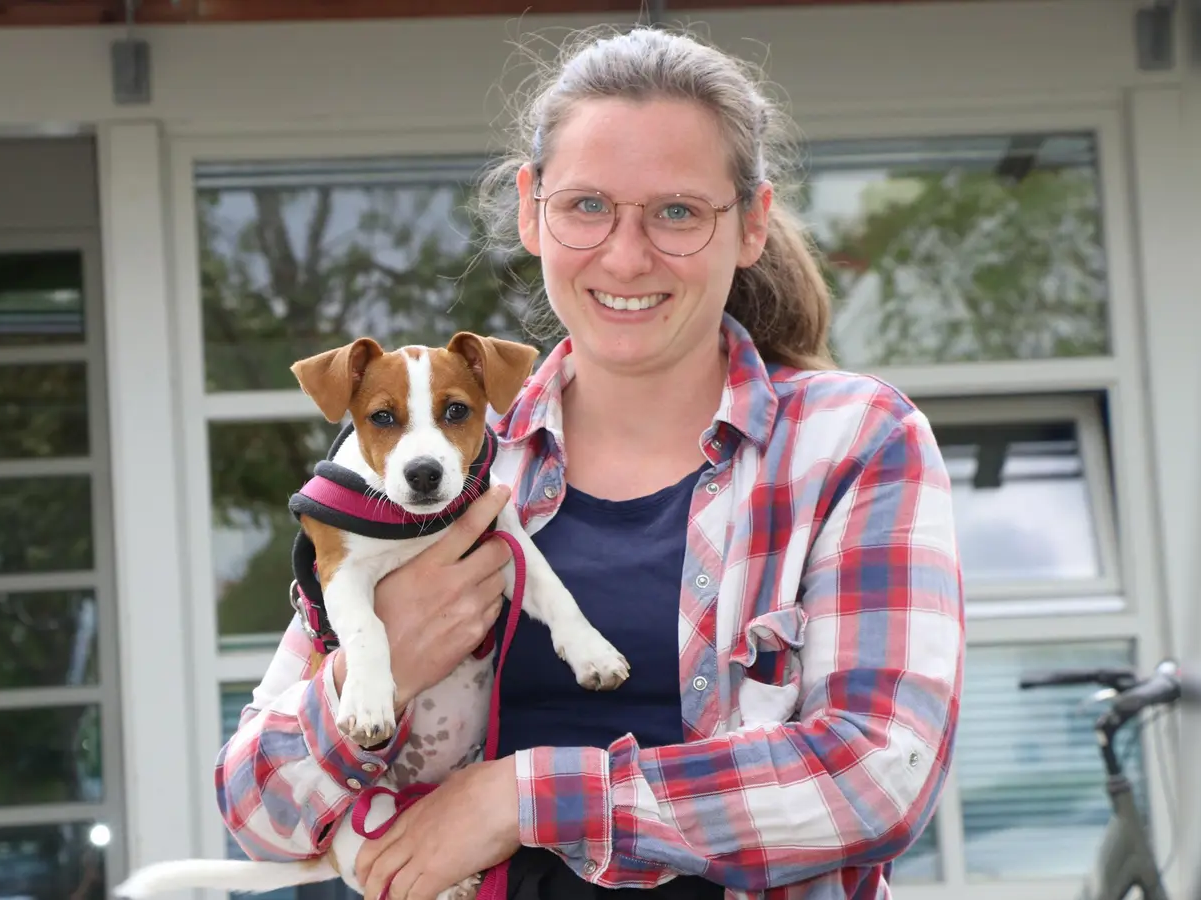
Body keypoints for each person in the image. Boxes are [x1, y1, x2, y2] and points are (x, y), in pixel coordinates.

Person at [217, 24, 965, 900]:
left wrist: (526, 798)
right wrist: (382, 663)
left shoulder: (853, 442)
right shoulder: (435, 468)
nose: (625, 254)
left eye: (678, 211)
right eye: (586, 205)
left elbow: (878, 776)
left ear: (752, 223)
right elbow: (256, 811)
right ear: (533, 210)